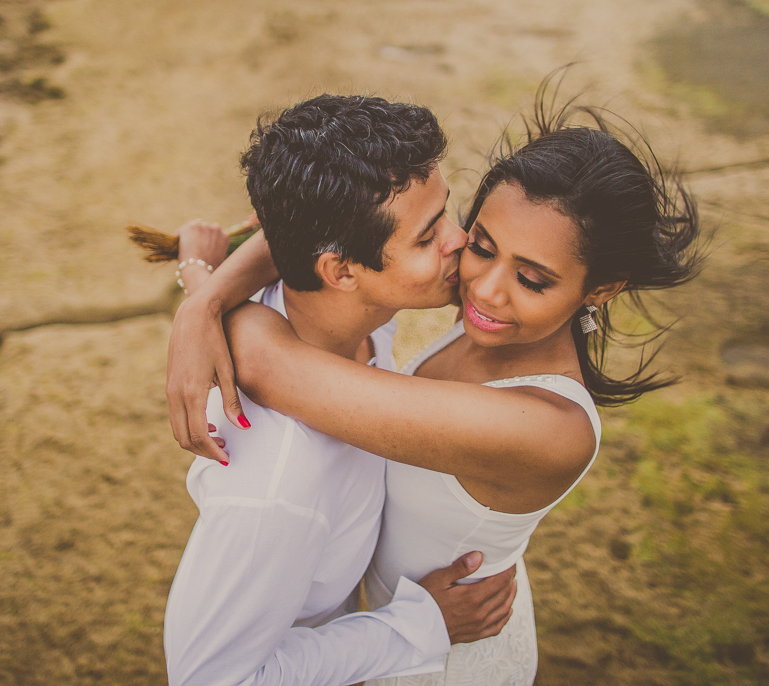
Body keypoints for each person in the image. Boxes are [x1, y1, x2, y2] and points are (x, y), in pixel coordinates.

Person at [165, 93, 702, 685]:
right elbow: (325, 225)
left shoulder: (547, 428)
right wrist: (206, 299)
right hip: (394, 630)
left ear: (600, 290)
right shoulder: (492, 315)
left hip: (447, 655)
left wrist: (202, 294)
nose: (483, 288)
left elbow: (266, 356)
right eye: (482, 244)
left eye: (532, 278)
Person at [163, 95, 518, 686]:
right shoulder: (276, 489)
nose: (460, 240)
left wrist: (203, 289)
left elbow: (293, 235)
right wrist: (420, 625)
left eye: (445, 214)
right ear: (342, 272)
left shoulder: (355, 311)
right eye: (428, 238)